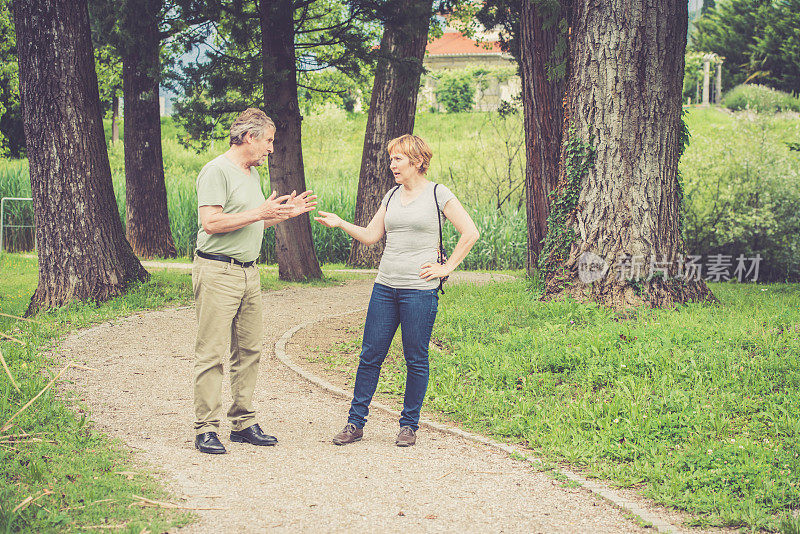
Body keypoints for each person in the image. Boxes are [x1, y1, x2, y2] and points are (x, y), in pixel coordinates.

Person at [315, 134, 479, 447]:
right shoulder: (391, 195)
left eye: (398, 159)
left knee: (415, 358)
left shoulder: (437, 193)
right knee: (369, 356)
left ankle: (409, 426)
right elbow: (370, 235)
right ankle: (355, 423)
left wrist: (446, 268)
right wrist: (340, 223)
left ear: (418, 162)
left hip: (419, 290)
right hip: (385, 287)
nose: (393, 165)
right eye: (391, 159)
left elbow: (470, 232)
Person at [193, 108, 317, 454]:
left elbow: (249, 222)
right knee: (212, 353)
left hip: (249, 272)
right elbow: (212, 223)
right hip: (218, 271)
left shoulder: (250, 175)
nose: (271, 149)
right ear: (249, 137)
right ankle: (206, 428)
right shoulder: (217, 171)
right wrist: (260, 212)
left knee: (249, 351)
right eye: (268, 141)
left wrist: (278, 215)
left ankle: (243, 422)